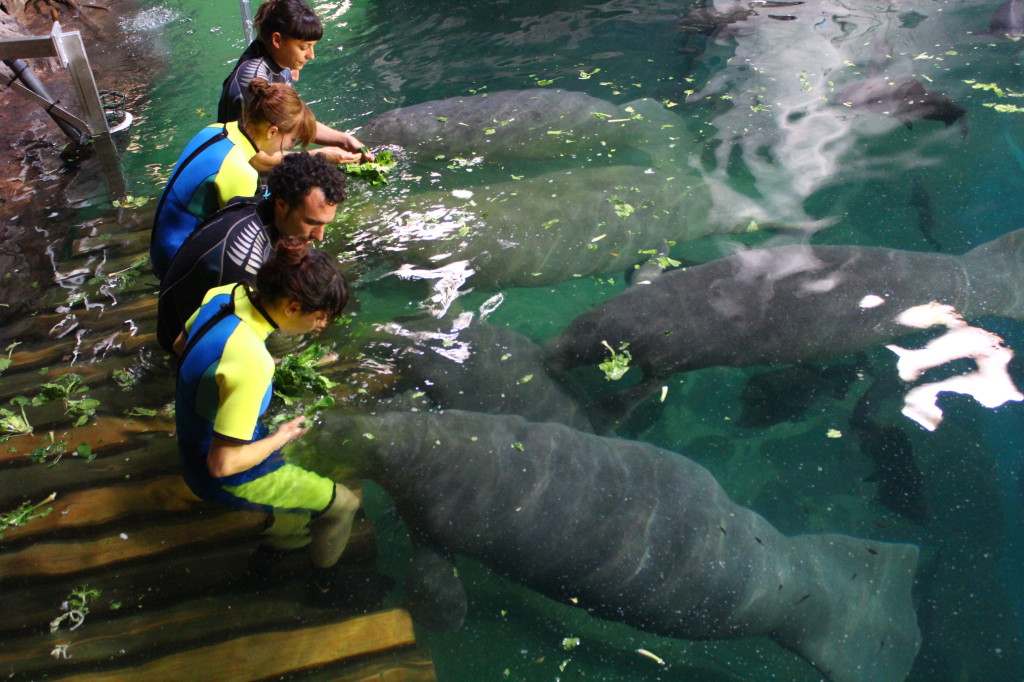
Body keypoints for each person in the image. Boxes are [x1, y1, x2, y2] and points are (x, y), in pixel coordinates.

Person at [174, 237, 359, 589]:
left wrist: (251, 369)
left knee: (306, 478)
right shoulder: (251, 361)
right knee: (344, 503)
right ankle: (323, 585)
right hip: (213, 471)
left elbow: (182, 346)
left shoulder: (225, 295)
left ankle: (283, 538)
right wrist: (282, 436)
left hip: (191, 431)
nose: (320, 326)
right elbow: (222, 465)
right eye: (318, 317)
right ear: (291, 307)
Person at [156, 151, 347, 352]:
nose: (319, 236)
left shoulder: (260, 205)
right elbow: (203, 338)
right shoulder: (244, 257)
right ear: (281, 205)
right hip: (182, 342)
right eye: (311, 222)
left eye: (324, 224)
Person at [150, 78, 318, 279]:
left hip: (162, 241)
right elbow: (247, 236)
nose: (291, 146)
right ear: (272, 132)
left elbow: (250, 162)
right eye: (292, 140)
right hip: (176, 263)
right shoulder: (239, 172)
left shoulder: (216, 129)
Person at [218, 0, 371, 168]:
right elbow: (255, 161)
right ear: (277, 40)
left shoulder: (281, 63)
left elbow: (292, 121)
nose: (311, 55)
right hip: (239, 172)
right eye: (304, 47)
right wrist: (317, 156)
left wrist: (344, 139)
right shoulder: (252, 79)